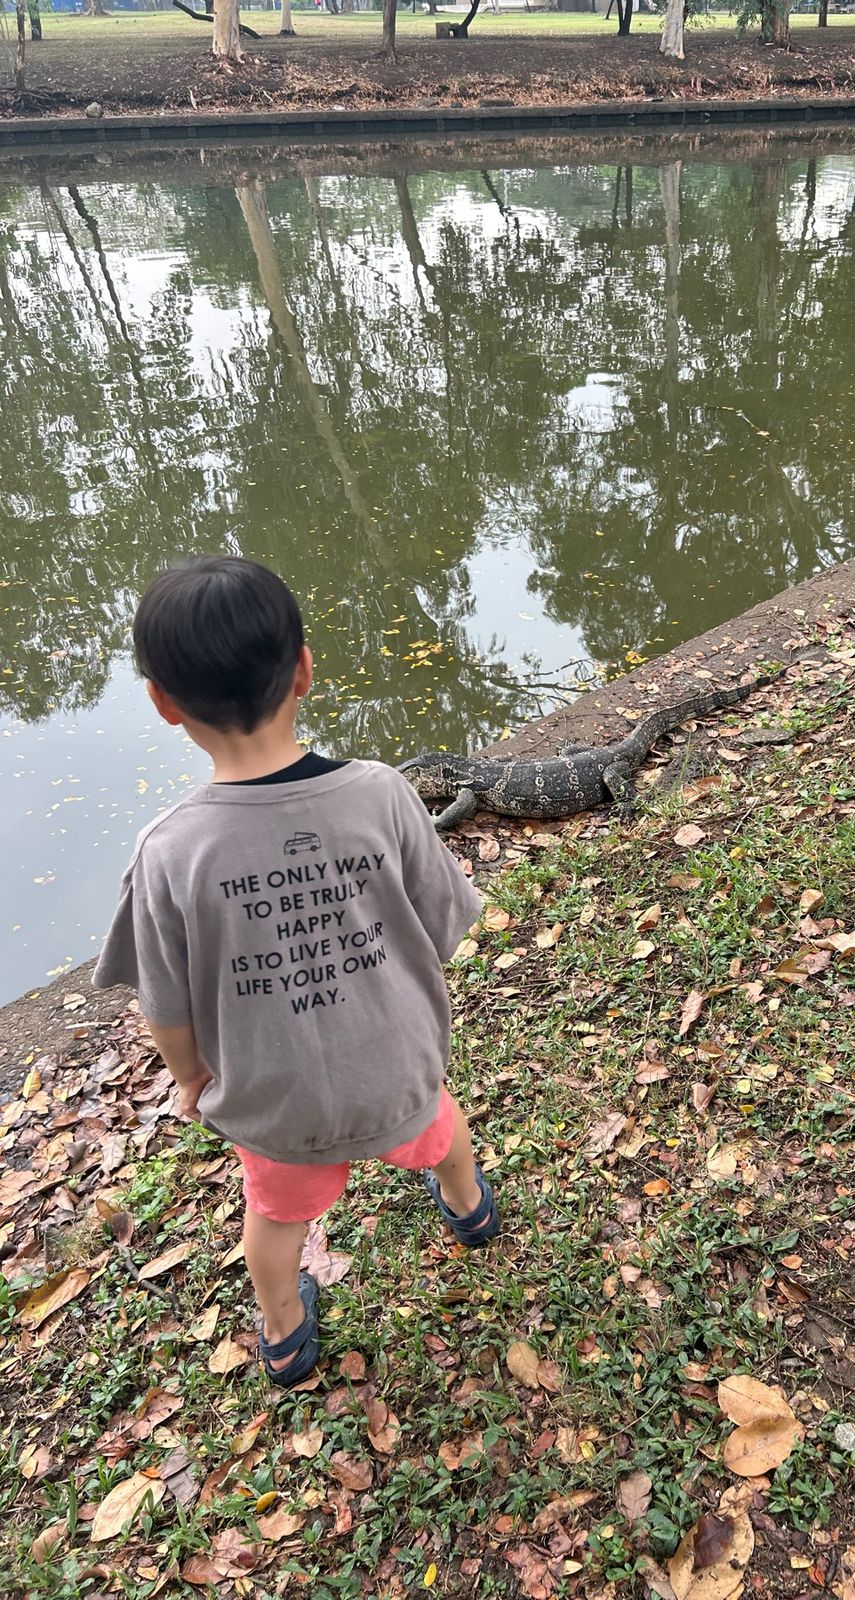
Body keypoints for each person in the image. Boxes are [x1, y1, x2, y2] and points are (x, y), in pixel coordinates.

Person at [94, 557, 498, 1388]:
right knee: (440, 1132)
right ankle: (470, 1209)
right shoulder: (383, 795)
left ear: (163, 704)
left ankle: (283, 1332)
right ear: (305, 670)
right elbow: (445, 927)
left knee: (275, 1218)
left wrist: (190, 1078)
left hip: (278, 1107)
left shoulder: (169, 852)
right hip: (398, 1073)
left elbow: (165, 1009)